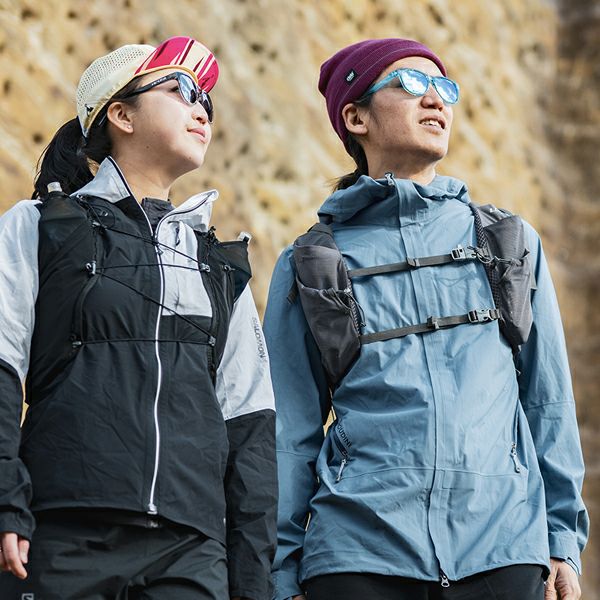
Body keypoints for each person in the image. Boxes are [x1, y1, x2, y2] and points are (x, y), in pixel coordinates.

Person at [264, 38, 588, 600]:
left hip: (503, 547)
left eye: (444, 87)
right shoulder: (312, 261)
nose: (435, 100)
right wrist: (282, 569)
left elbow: (548, 400)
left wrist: (561, 537)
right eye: (411, 84)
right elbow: (289, 431)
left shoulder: (507, 242)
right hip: (360, 554)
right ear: (356, 118)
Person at [0, 35, 276, 600]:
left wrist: (252, 582)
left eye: (207, 101)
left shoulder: (219, 265)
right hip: (63, 530)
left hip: (191, 552)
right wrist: (5, 500)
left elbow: (250, 427)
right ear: (121, 114)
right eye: (182, 90)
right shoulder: (40, 225)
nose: (202, 109)